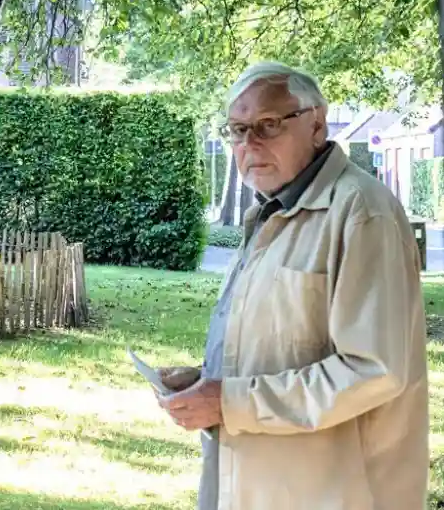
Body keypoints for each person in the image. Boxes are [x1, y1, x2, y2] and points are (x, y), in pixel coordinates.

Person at [157, 61, 429, 510]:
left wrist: (230, 402)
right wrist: (208, 384)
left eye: (267, 125)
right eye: (238, 129)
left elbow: (374, 371)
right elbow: (284, 346)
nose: (249, 144)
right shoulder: (272, 212)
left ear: (317, 124)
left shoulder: (361, 213)